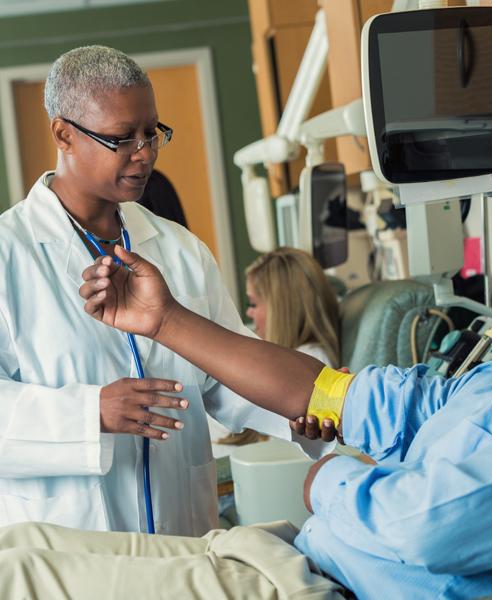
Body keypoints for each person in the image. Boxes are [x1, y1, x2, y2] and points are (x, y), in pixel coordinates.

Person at [4, 204, 492, 597]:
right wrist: (166, 321)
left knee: (20, 578)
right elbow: (337, 395)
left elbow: (428, 528)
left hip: (321, 587)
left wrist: (335, 479)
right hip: (288, 554)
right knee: (21, 546)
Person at [0, 45, 327, 538]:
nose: (145, 152)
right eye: (121, 138)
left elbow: (227, 375)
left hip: (185, 540)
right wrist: (90, 413)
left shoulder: (180, 250)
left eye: (151, 133)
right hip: (68, 552)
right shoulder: (9, 254)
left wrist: (300, 410)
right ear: (63, 134)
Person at [210, 247, 340, 448]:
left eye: (253, 303)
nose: (249, 313)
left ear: (282, 310)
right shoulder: (298, 359)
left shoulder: (310, 363)